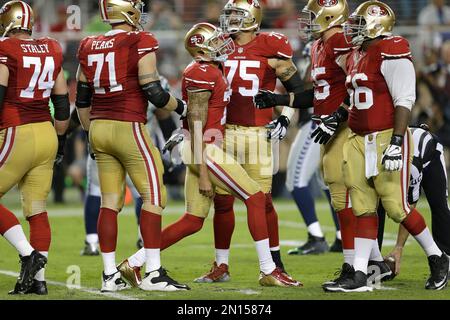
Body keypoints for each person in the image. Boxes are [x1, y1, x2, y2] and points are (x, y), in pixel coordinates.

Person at [119, 22, 302, 288]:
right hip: (205, 148)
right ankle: (268, 270)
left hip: (200, 147)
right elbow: (195, 121)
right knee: (254, 197)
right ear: (202, 48)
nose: (222, 44)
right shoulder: (203, 72)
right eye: (215, 41)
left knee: (193, 220)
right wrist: (204, 172)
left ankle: (134, 262)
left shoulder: (209, 69)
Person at [255, 0, 392, 286]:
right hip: (326, 126)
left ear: (330, 17)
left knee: (355, 199)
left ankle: (360, 266)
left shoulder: (341, 40)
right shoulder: (319, 45)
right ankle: (369, 263)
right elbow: (315, 95)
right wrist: (280, 100)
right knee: (340, 197)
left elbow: (355, 84)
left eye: (312, 17)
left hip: (344, 128)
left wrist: (338, 115)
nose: (307, 23)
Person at [324, 0, 448, 292]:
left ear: (376, 24)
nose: (351, 28)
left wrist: (396, 141)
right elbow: (355, 98)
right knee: (363, 208)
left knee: (396, 206)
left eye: (358, 23)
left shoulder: (392, 51)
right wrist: (336, 117)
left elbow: (404, 100)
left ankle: (437, 256)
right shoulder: (357, 53)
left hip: (384, 137)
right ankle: (359, 273)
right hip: (356, 138)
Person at [75, 0, 188, 292]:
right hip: (128, 125)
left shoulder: (88, 44)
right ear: (127, 11)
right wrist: (183, 107)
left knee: (109, 203)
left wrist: (91, 133)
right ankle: (152, 272)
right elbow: (153, 90)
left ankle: (109, 276)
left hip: (98, 127)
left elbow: (83, 100)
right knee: (155, 194)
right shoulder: (140, 40)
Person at [192, 0, 305, 283]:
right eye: (228, 14)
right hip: (224, 131)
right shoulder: (218, 45)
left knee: (263, 202)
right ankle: (221, 265)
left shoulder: (271, 45)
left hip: (257, 133)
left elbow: (298, 90)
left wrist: (286, 118)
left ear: (253, 18)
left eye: (236, 15)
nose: (230, 20)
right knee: (222, 202)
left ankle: (275, 265)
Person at [0, 1, 70, 295]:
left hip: (18, 130)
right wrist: (61, 142)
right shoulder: (52, 48)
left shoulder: (5, 49)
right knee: (37, 209)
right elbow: (63, 103)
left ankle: (29, 254)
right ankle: (38, 281)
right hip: (47, 132)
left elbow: (0, 93)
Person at [382, 125, 450, 277]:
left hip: (430, 152)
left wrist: (399, 247)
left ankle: (446, 259)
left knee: (439, 205)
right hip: (406, 147)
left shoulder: (410, 167)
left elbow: (409, 208)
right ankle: (374, 260)